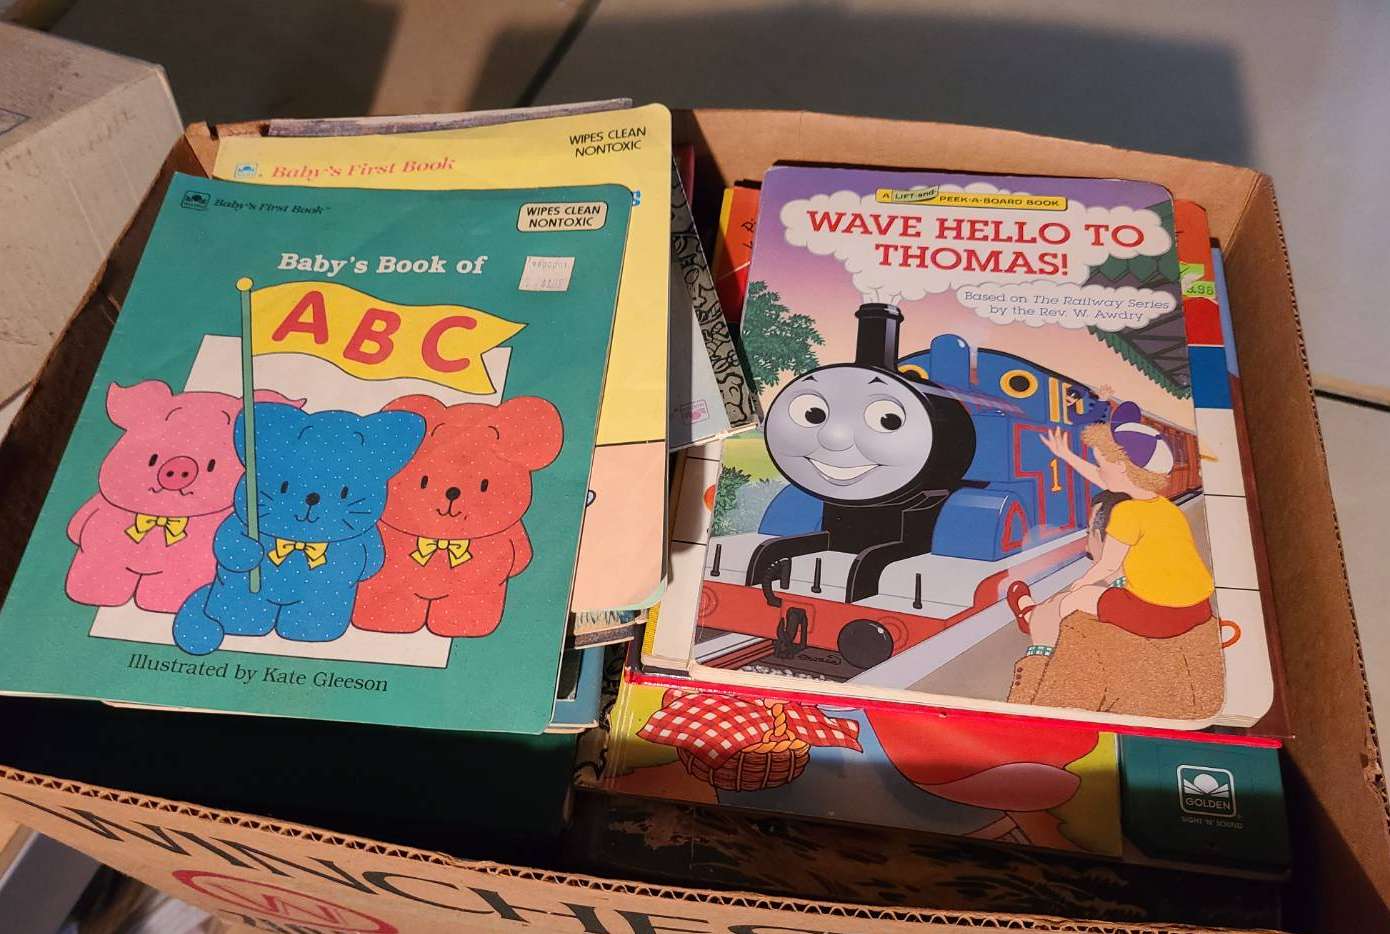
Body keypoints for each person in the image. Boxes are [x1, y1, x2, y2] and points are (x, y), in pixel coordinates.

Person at [1004, 402, 1224, 718]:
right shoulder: (1166, 509)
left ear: (1122, 467)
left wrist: (1074, 589)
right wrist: (1066, 456)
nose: (1100, 472)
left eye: (1102, 464)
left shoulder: (1127, 513)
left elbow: (1106, 566)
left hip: (1155, 615)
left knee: (1076, 599)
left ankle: (1036, 619)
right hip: (1196, 609)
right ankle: (1039, 611)